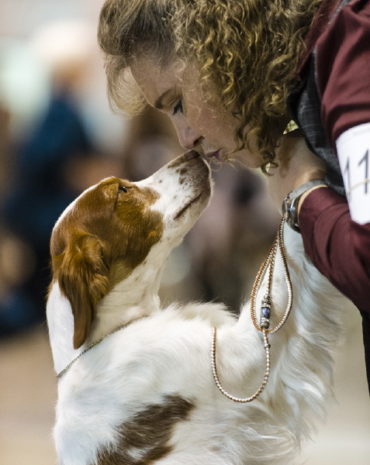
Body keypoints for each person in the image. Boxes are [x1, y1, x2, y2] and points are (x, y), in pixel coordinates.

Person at [97, 0, 370, 391]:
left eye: (177, 103)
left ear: (215, 51)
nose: (186, 138)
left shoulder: (350, 47)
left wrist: (304, 196)